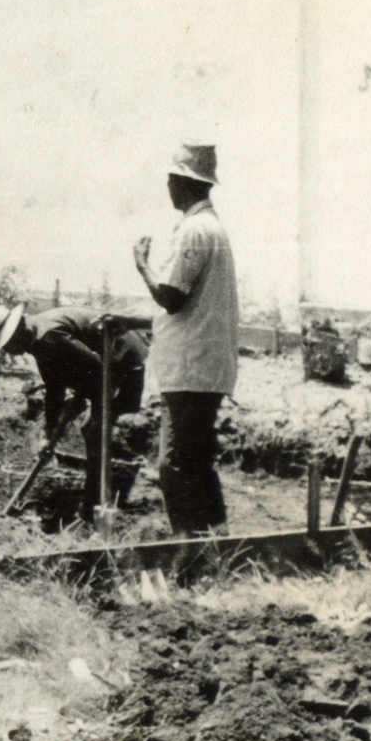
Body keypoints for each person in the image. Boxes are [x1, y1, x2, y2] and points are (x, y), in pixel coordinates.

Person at [132, 143, 239, 538]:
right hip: (205, 364)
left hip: (192, 367)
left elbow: (172, 297)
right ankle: (219, 544)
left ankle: (186, 550)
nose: (168, 188)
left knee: (174, 466)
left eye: (170, 180)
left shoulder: (195, 230)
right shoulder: (210, 227)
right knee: (197, 463)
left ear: (184, 182)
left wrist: (142, 265)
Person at [0, 303, 149, 522]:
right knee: (92, 429)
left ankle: (95, 505)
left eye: (6, 344)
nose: (6, 351)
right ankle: (103, 491)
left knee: (95, 430)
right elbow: (54, 388)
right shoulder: (37, 339)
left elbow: (98, 370)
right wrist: (49, 430)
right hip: (108, 363)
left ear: (16, 332)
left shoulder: (48, 336)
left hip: (124, 359)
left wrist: (80, 398)